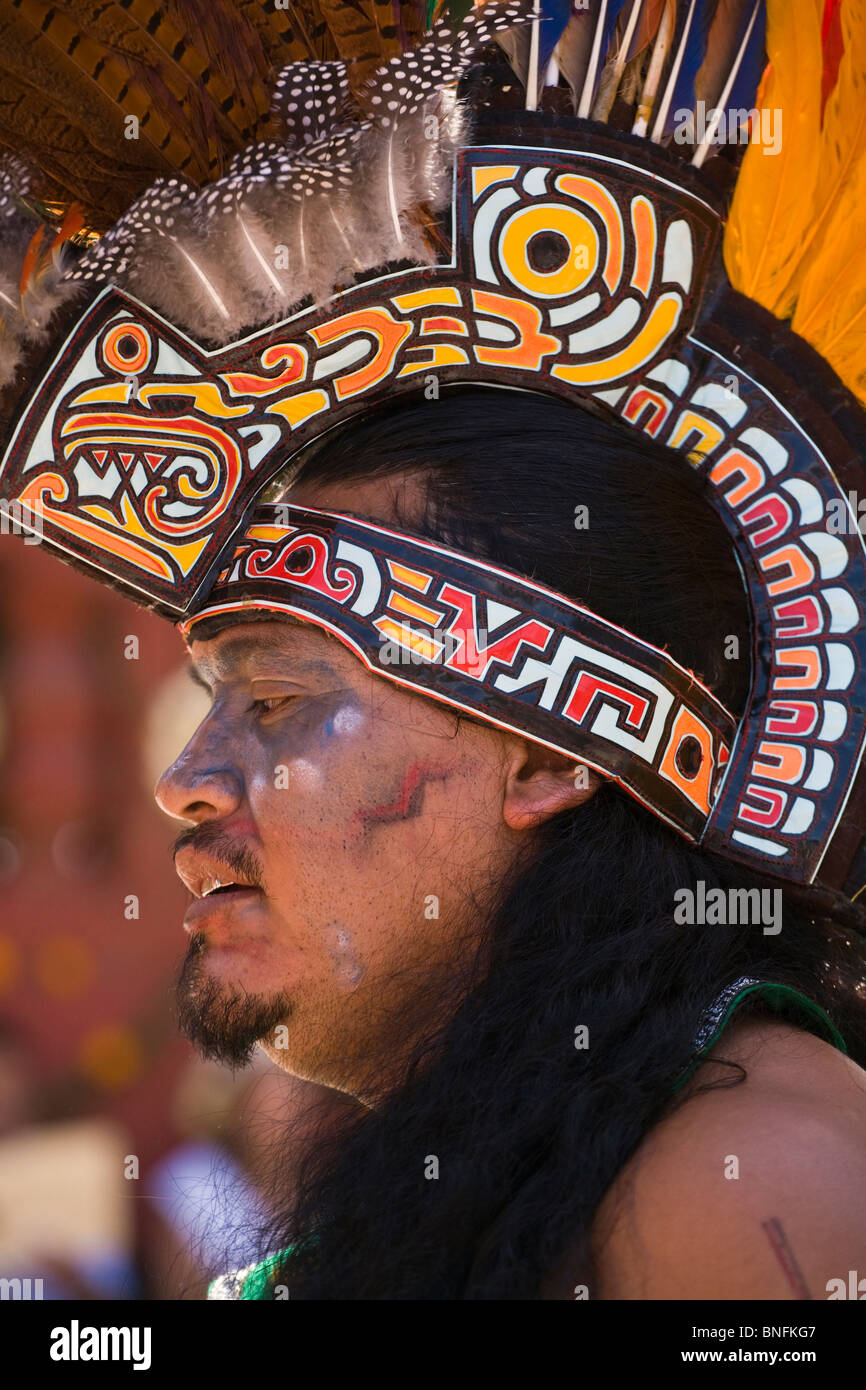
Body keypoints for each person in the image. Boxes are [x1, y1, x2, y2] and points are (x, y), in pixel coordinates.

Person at [1, 0, 865, 1300]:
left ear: (544, 753)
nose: (185, 777)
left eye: (281, 699)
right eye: (217, 696)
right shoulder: (520, 1157)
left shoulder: (749, 1186)